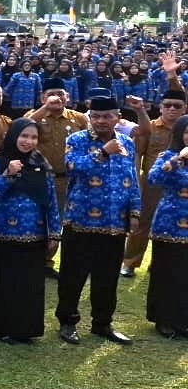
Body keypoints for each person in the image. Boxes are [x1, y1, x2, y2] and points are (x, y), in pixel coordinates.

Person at [56, 94, 139, 346]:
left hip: (114, 223)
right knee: (73, 274)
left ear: (118, 118)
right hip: (80, 222)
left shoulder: (127, 142)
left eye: (107, 116)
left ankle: (102, 323)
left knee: (107, 277)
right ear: (90, 117)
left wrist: (134, 212)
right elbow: (72, 168)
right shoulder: (77, 139)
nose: (101, 121)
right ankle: (68, 322)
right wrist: (102, 152)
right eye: (96, 116)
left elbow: (132, 179)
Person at [0, 118, 60, 343]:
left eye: (33, 137)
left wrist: (54, 232)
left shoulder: (41, 163)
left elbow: (51, 199)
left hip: (35, 233)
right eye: (24, 136)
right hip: (3, 233)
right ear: (13, 136)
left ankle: (26, 329)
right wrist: (7, 174)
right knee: (5, 281)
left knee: (30, 284)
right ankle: (1, 327)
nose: (28, 141)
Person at [27, 80, 88, 278]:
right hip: (38, 177)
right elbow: (23, 129)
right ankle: (30, 259)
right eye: (51, 94)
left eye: (61, 94)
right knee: (35, 219)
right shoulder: (33, 115)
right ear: (42, 97)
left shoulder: (79, 119)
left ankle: (46, 262)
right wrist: (45, 108)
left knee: (59, 221)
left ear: (68, 97)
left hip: (68, 179)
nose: (57, 98)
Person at [124, 86, 186, 277]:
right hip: (152, 182)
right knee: (142, 223)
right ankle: (130, 262)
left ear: (184, 108)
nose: (172, 109)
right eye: (168, 105)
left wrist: (172, 76)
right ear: (160, 107)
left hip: (180, 186)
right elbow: (138, 155)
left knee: (176, 223)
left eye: (177, 106)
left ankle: (159, 263)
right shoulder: (149, 127)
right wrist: (135, 183)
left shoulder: (185, 128)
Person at [144, 115, 188, 338]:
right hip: (169, 224)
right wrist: (177, 161)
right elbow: (153, 179)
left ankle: (183, 320)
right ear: (180, 134)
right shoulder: (168, 156)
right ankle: (163, 318)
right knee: (166, 272)